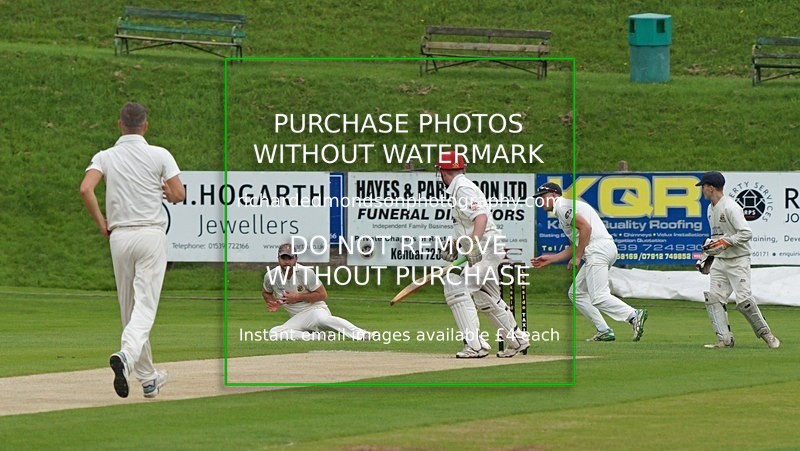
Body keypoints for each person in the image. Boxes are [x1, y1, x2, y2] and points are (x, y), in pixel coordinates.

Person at [80, 102, 185, 398]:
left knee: (130, 308)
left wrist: (102, 223)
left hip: (120, 237)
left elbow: (86, 189)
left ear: (119, 125)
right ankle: (126, 356)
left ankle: (149, 378)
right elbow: (179, 193)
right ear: (146, 126)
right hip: (150, 234)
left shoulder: (106, 156)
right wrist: (168, 192)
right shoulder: (159, 154)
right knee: (145, 306)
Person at [436, 151, 529, 358]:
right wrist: (456, 243)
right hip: (486, 246)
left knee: (454, 283)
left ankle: (475, 345)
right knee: (485, 295)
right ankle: (517, 340)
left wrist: (473, 244)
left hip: (485, 247)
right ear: (463, 168)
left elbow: (480, 217)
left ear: (442, 171)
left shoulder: (462, 188)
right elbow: (469, 223)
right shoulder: (460, 188)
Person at [531, 182, 647, 342]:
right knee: (576, 293)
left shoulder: (562, 206)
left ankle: (633, 315)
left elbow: (586, 228)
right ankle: (604, 330)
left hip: (597, 249)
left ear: (553, 195)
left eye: (543, 197)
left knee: (599, 296)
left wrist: (578, 257)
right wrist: (552, 258)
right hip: (602, 248)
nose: (541, 201)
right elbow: (577, 244)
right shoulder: (564, 209)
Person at [695, 171, 780, 349]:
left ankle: (767, 335)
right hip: (720, 261)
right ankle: (724, 340)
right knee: (713, 298)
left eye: (703, 187)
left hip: (738, 260)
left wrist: (727, 241)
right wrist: (708, 256)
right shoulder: (710, 208)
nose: (702, 190)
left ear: (711, 187)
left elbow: (746, 233)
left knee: (744, 301)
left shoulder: (731, 207)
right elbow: (716, 236)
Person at [262, 243, 371, 341]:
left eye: (290, 258)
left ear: (296, 259)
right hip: (297, 318)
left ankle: (362, 334)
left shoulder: (306, 273)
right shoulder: (271, 275)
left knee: (322, 319)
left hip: (315, 310)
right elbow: (266, 292)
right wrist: (273, 302)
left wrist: (298, 297)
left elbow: (323, 295)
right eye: (283, 258)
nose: (286, 262)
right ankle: (318, 336)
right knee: (274, 333)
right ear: (278, 259)